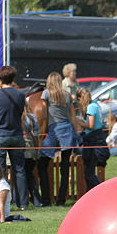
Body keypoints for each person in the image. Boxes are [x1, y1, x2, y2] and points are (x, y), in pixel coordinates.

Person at [0, 66, 28, 210]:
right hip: (16, 135)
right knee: (19, 170)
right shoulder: (20, 95)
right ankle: (23, 203)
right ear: (13, 78)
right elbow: (21, 111)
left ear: (0, 78)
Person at [38, 71, 82, 206]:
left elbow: (44, 115)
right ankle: (61, 200)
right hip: (67, 130)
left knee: (42, 164)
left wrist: (41, 132)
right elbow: (72, 116)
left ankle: (46, 199)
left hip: (53, 130)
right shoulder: (67, 95)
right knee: (65, 167)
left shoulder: (46, 93)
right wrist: (78, 131)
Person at [77, 88, 109, 190]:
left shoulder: (90, 107)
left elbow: (90, 126)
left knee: (89, 173)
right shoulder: (96, 105)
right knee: (89, 172)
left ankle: (100, 191)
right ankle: (92, 193)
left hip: (93, 141)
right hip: (97, 138)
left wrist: (77, 121)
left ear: (80, 98)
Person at [22, 101, 43, 207]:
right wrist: (36, 149)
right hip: (30, 149)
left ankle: (22, 201)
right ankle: (37, 200)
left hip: (18, 150)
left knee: (20, 176)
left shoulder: (16, 117)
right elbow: (36, 135)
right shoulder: (31, 118)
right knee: (30, 175)